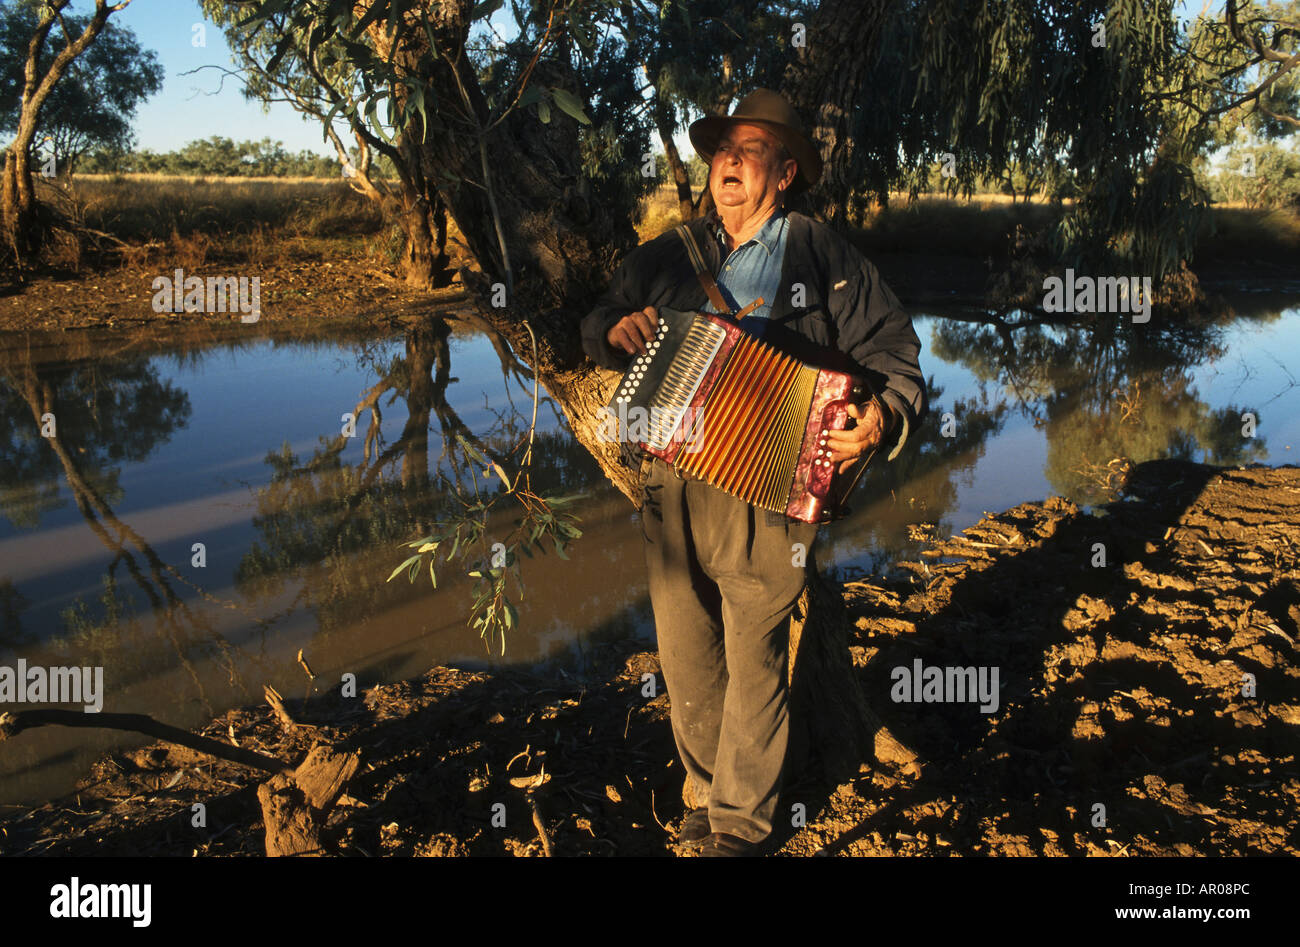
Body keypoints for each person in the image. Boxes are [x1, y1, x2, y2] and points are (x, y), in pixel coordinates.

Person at [580, 88, 926, 856]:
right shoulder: (669, 253)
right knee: (686, 651)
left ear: (787, 170)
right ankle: (704, 793)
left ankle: (739, 825)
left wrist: (881, 417)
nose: (729, 163)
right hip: (670, 483)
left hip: (770, 490)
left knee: (757, 654)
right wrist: (615, 328)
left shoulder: (824, 254)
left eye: (750, 150)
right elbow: (598, 318)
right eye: (722, 151)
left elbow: (897, 355)